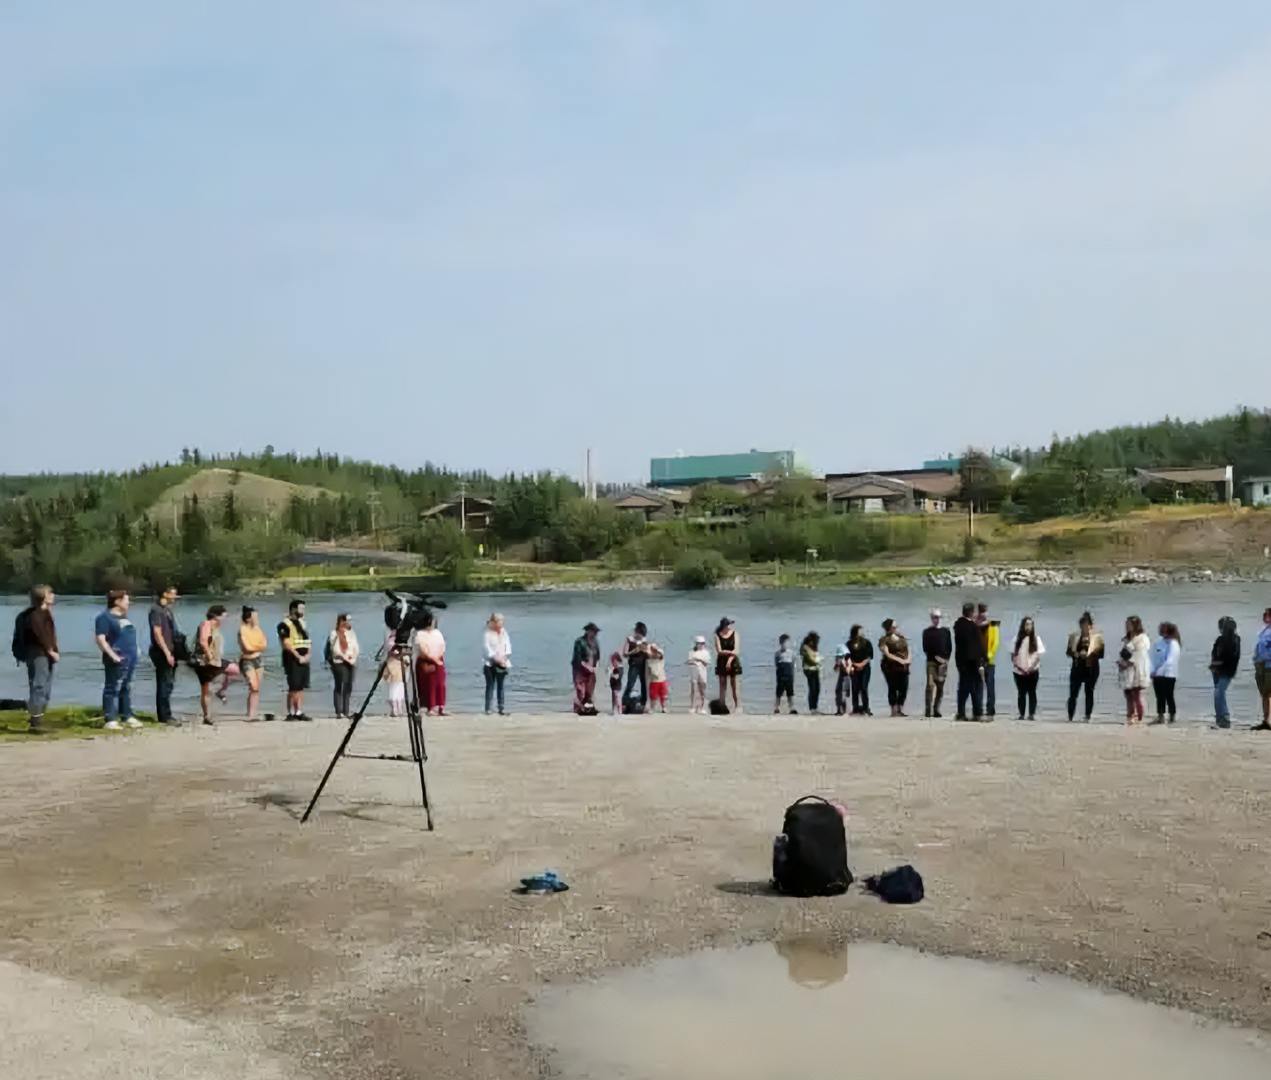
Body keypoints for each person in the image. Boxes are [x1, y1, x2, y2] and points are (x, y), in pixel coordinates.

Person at [95, 589, 141, 731]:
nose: (129, 603)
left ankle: (126, 715)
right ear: (117, 602)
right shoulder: (104, 617)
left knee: (126, 687)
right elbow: (100, 639)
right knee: (112, 687)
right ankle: (110, 718)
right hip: (116, 658)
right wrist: (112, 655)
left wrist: (137, 650)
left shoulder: (124, 617)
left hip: (130, 657)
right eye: (127, 600)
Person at [17, 585, 59, 734]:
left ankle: (39, 716)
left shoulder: (46, 613)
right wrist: (50, 650)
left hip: (46, 654)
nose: (53, 595)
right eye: (50, 593)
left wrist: (54, 650)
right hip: (37, 654)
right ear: (43, 596)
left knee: (46, 687)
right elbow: (40, 635)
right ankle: (35, 721)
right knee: (39, 685)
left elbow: (49, 634)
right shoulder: (34, 615)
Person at [147, 585, 182, 726]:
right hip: (161, 652)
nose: (175, 598)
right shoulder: (156, 610)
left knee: (169, 683)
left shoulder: (167, 610)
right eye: (173, 594)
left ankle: (166, 713)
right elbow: (157, 633)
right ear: (165, 594)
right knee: (164, 683)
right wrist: (166, 652)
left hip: (171, 650)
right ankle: (164, 716)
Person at [192, 604, 228, 726]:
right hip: (204, 661)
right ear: (217, 615)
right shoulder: (206, 624)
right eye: (224, 616)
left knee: (235, 670)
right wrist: (209, 655)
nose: (225, 619)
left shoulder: (216, 627)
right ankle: (207, 716)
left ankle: (219, 690)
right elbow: (203, 640)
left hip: (216, 661)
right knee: (205, 689)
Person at [1065, 612, 1104, 722]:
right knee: (1073, 693)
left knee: (1089, 692)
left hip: (1091, 668)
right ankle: (1070, 716)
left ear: (1091, 626)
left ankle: (1087, 715)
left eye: (1087, 625)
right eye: (1082, 625)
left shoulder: (1097, 638)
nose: (1084, 628)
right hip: (1077, 668)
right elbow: (1068, 652)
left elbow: (1101, 654)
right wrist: (1077, 654)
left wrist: (1088, 654)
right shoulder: (1074, 636)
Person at [278, 599, 313, 722]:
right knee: (293, 686)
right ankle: (290, 712)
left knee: (301, 686)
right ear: (293, 609)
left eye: (304, 609)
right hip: (291, 657)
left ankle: (299, 711)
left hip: (304, 656)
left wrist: (308, 654)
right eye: (301, 608)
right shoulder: (284, 624)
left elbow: (307, 639)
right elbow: (286, 643)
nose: (303, 611)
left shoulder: (302, 623)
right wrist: (298, 656)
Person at [953, 602, 987, 721]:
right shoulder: (972, 627)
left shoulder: (958, 625)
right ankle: (977, 713)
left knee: (963, 687)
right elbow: (976, 647)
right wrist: (981, 663)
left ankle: (961, 712)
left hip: (961, 662)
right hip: (972, 662)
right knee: (976, 687)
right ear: (972, 613)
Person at [1117, 616, 1152, 726]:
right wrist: (1121, 662)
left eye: (1129, 624)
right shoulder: (1127, 638)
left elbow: (1140, 655)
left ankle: (1139, 717)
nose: (1127, 626)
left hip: (1137, 669)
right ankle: (1130, 715)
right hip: (1126, 670)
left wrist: (1128, 663)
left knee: (1136, 694)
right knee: (1128, 694)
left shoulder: (1142, 638)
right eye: (1126, 624)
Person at [1010, 617, 1045, 721]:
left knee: (1032, 692)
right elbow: (1013, 656)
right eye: (1026, 624)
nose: (1028, 627)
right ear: (1023, 626)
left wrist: (1031, 668)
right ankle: (1021, 714)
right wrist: (1020, 668)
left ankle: (1031, 714)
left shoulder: (1036, 639)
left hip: (1032, 671)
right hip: (1019, 671)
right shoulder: (1016, 639)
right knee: (1021, 693)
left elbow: (1038, 656)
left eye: (1030, 624)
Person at [1209, 616, 1241, 729]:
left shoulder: (1235, 640)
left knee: (1219, 693)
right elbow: (1214, 653)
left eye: (1221, 626)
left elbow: (1232, 657)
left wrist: (1218, 663)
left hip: (1227, 671)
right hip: (1216, 670)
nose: (1220, 629)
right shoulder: (1219, 639)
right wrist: (1213, 665)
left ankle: (1224, 718)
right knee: (1218, 694)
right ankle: (1220, 719)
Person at [238, 606, 268, 721]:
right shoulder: (242, 630)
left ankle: (252, 713)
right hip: (247, 660)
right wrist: (258, 647)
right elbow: (247, 647)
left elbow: (264, 645)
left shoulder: (258, 629)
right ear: (248, 618)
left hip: (258, 660)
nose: (257, 618)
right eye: (255, 616)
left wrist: (256, 648)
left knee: (256, 689)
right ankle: (251, 714)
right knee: (253, 686)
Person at [327, 613, 360, 719]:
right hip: (339, 662)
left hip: (351, 661)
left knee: (348, 686)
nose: (349, 622)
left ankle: (346, 711)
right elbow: (335, 650)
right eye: (347, 620)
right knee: (340, 685)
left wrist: (353, 658)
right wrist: (345, 658)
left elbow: (356, 647)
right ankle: (339, 711)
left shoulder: (351, 633)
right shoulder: (334, 633)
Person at [414, 611, 447, 717]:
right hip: (426, 660)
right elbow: (422, 649)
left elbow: (442, 646)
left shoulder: (437, 633)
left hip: (438, 659)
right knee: (428, 685)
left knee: (440, 685)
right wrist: (432, 658)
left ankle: (441, 706)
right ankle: (430, 707)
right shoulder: (420, 634)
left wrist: (438, 657)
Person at [921, 608, 952, 718]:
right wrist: (936, 657)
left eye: (938, 617)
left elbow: (949, 647)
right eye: (935, 617)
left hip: (943, 663)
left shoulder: (946, 631)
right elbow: (925, 647)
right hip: (931, 662)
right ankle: (928, 709)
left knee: (940, 686)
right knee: (930, 685)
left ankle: (936, 709)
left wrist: (946, 660)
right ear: (931, 618)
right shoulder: (927, 632)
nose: (937, 620)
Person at [1149, 622, 1181, 726]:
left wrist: (1159, 671)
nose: (1160, 630)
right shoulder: (1158, 642)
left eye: (1162, 628)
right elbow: (1153, 657)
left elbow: (1170, 660)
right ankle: (1160, 716)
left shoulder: (1174, 644)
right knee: (1159, 696)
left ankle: (1172, 715)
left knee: (1169, 695)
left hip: (1169, 674)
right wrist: (1152, 670)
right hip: (1157, 674)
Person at [879, 618, 911, 717]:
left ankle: (900, 709)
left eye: (896, 626)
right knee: (892, 687)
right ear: (889, 628)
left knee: (904, 688)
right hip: (890, 667)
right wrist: (899, 660)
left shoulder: (901, 637)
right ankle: (893, 711)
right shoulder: (884, 639)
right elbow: (887, 653)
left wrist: (908, 659)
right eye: (894, 626)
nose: (896, 627)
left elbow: (908, 648)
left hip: (904, 666)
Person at [483, 613, 512, 716]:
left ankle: (501, 708)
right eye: (500, 621)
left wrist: (504, 658)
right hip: (490, 664)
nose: (502, 623)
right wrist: (496, 658)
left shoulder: (504, 633)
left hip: (502, 663)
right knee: (490, 686)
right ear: (494, 622)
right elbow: (487, 649)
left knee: (501, 686)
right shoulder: (488, 633)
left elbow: (508, 646)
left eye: (502, 621)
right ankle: (488, 708)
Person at [571, 622, 601, 714]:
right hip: (579, 670)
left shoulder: (596, 642)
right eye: (594, 632)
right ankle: (578, 710)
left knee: (589, 693)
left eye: (596, 632)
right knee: (581, 691)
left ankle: (587, 709)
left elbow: (598, 657)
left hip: (591, 671)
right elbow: (578, 659)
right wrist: (587, 666)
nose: (596, 634)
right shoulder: (579, 642)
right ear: (588, 631)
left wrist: (596, 667)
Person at [715, 617, 742, 712]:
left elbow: (736, 650)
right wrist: (728, 652)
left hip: (733, 661)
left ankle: (738, 706)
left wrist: (729, 661)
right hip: (721, 661)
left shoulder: (735, 634)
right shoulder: (717, 635)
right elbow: (719, 651)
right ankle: (722, 706)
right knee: (722, 685)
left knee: (734, 685)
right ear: (724, 626)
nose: (729, 627)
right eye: (728, 625)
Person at [978, 604, 1000, 717]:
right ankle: (978, 709)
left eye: (984, 611)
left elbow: (996, 643)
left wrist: (989, 655)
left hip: (990, 661)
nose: (983, 614)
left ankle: (990, 709)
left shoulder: (993, 626)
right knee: (978, 686)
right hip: (978, 661)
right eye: (981, 612)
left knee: (990, 686)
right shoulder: (975, 626)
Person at [622, 622, 651, 710]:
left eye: (642, 634)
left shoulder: (645, 641)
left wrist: (646, 651)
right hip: (634, 665)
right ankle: (624, 702)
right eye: (639, 633)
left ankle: (643, 703)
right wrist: (635, 650)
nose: (640, 636)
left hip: (643, 665)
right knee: (630, 683)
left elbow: (649, 655)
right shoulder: (630, 639)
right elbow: (625, 654)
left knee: (644, 684)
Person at [847, 624, 874, 716]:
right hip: (853, 668)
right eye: (860, 631)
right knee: (855, 688)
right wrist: (855, 664)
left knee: (864, 687)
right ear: (855, 633)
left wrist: (862, 664)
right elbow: (847, 657)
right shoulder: (849, 644)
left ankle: (866, 708)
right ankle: (855, 709)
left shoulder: (867, 643)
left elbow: (870, 656)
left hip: (865, 668)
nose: (862, 633)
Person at [1255, 607, 1271, 732]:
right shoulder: (1263, 630)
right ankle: (1265, 721)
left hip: (1269, 665)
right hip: (1261, 665)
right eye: (1265, 615)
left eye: (1268, 615)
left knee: (1268, 692)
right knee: (1264, 694)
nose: (1266, 617)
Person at [687, 635, 712, 714]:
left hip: (702, 672)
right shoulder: (692, 652)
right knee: (693, 690)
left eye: (702, 643)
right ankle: (693, 706)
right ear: (696, 644)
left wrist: (699, 660)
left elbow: (707, 663)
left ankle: (702, 707)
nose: (700, 645)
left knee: (702, 690)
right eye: (699, 643)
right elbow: (688, 661)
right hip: (694, 672)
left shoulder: (706, 652)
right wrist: (693, 661)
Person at [773, 633, 796, 714]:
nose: (784, 644)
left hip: (789, 674)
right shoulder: (777, 653)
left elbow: (793, 664)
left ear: (789, 643)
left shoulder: (791, 653)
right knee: (779, 692)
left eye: (786, 643)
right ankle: (776, 707)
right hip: (780, 675)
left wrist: (792, 674)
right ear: (780, 643)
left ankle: (792, 708)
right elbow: (776, 663)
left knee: (790, 692)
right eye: (783, 643)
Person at [800, 632, 822, 713]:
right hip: (809, 670)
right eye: (816, 640)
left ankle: (815, 707)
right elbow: (810, 659)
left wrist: (818, 662)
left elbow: (816, 658)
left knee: (817, 689)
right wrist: (817, 661)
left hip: (815, 670)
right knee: (812, 688)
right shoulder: (805, 647)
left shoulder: (814, 647)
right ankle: (812, 708)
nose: (817, 642)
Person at [647, 641, 669, 713]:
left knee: (663, 695)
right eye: (652, 649)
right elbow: (648, 671)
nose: (654, 652)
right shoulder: (649, 660)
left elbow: (660, 654)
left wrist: (655, 649)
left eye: (654, 650)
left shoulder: (660, 659)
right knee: (653, 696)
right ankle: (652, 708)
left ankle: (664, 707)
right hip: (653, 681)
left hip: (662, 679)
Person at [386, 648, 407, 717]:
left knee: (396, 689)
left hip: (397, 667)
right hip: (396, 667)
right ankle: (397, 709)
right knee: (396, 689)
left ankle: (397, 709)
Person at [833, 645, 850, 716]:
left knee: (843, 695)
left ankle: (843, 710)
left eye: (841, 656)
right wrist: (837, 665)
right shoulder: (839, 660)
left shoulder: (848, 660)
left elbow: (848, 671)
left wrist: (843, 665)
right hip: (840, 678)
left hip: (846, 679)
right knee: (837, 692)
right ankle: (838, 709)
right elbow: (835, 670)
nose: (839, 658)